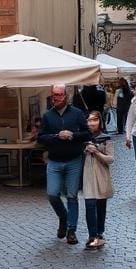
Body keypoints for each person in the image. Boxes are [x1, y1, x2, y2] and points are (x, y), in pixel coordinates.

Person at [37, 83, 89, 245]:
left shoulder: (77, 113)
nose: (56, 98)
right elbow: (41, 138)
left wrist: (73, 135)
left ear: (65, 96)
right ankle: (63, 217)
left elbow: (87, 133)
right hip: (54, 161)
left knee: (72, 196)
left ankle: (71, 230)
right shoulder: (48, 116)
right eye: (54, 95)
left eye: (59, 95)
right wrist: (56, 136)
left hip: (74, 160)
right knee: (52, 194)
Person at [82, 110, 114, 249]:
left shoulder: (105, 138)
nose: (92, 123)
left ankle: (100, 233)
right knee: (89, 205)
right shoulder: (83, 137)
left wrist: (96, 151)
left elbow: (110, 159)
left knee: (101, 206)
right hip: (87, 175)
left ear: (100, 122)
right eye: (89, 120)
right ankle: (92, 235)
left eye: (95, 120)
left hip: (101, 175)